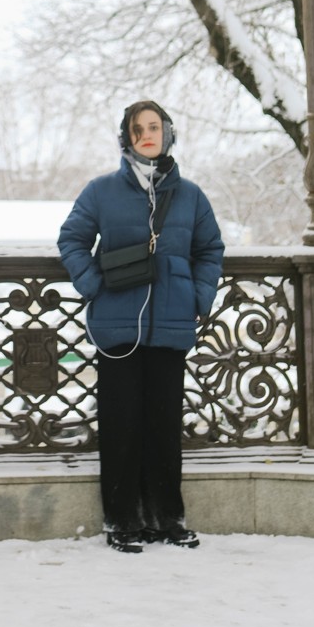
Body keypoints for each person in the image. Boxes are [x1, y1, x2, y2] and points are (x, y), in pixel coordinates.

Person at [58, 100, 223, 553]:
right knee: (121, 425)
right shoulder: (101, 191)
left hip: (170, 327)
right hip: (117, 329)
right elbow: (71, 239)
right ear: (126, 138)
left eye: (155, 127)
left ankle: (168, 518)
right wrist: (93, 285)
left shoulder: (190, 195)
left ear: (167, 134)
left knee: (164, 426)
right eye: (137, 129)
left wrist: (198, 297)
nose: (147, 134)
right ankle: (123, 521)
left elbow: (210, 249)